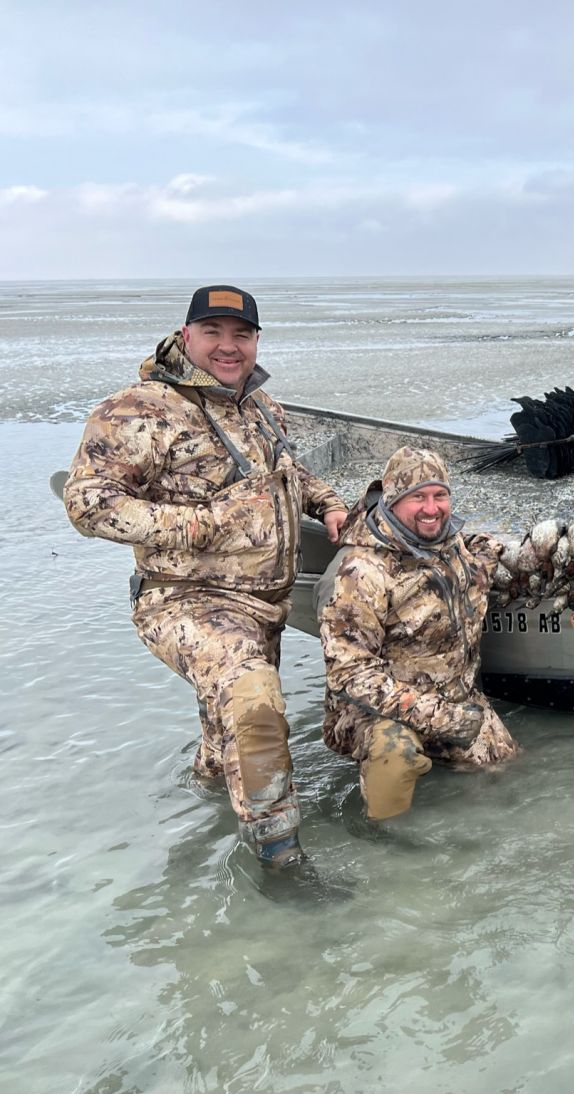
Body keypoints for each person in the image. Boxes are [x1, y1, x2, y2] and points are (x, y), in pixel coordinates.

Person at [64, 286, 348, 866]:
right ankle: (281, 862)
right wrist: (198, 526)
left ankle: (197, 816)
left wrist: (331, 505)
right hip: (186, 601)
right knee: (255, 703)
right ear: (187, 334)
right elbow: (88, 503)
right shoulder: (139, 409)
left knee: (227, 750)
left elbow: (288, 472)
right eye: (213, 332)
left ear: (255, 340)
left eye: (240, 334)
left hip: (262, 606)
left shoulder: (260, 405)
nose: (228, 346)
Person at [318, 446, 518, 821]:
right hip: (373, 713)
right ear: (393, 502)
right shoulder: (360, 573)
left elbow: (477, 563)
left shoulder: (448, 544)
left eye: (439, 495)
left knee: (505, 773)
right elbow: (351, 677)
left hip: (452, 697)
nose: (431, 508)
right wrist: (442, 719)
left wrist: (509, 556)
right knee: (396, 752)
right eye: (417, 497)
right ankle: (381, 837)